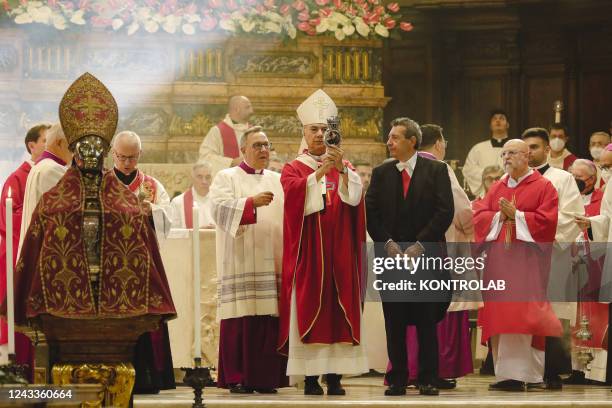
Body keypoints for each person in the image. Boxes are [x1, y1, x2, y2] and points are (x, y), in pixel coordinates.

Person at [10, 72, 176, 385]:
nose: (88, 156)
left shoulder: (123, 201)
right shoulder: (53, 201)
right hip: (65, 318)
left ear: (103, 155)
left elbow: (141, 235)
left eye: (94, 150)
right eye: (82, 150)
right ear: (73, 153)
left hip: (115, 319)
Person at [278, 89, 368, 396]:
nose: (319, 135)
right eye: (313, 130)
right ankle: (311, 377)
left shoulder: (345, 164)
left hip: (340, 250)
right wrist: (320, 173)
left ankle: (335, 375)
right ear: (303, 133)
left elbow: (354, 197)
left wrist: (341, 169)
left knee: (339, 309)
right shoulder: (294, 167)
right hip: (310, 253)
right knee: (310, 305)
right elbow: (292, 198)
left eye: (324, 130)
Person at [366, 118, 454, 396]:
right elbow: (372, 214)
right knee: (394, 321)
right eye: (389, 137)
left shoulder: (437, 170)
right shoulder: (382, 173)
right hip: (391, 258)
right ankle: (398, 379)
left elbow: (445, 211)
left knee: (427, 321)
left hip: (425, 258)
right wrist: (388, 243)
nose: (388, 142)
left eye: (394, 137)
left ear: (412, 141)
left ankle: (428, 378)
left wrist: (420, 244)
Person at [474, 139, 562, 392]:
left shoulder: (544, 187)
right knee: (500, 314)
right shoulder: (498, 186)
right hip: (498, 263)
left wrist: (518, 215)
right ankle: (505, 374)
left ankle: (525, 374)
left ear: (527, 157)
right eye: (504, 154)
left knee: (523, 316)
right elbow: (480, 214)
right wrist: (499, 216)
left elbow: (548, 222)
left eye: (512, 153)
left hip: (526, 263)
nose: (506, 158)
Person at [209, 126, 287, 394]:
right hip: (240, 259)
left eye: (266, 145)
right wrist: (250, 203)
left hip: (271, 257)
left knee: (268, 319)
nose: (264, 150)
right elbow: (217, 210)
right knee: (240, 319)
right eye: (257, 145)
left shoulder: (278, 179)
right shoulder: (226, 176)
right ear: (243, 150)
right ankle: (238, 377)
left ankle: (267, 378)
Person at [401, 123, 474, 388]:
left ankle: (406, 368)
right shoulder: (440, 169)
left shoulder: (402, 167)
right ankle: (437, 370)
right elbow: (461, 211)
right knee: (440, 310)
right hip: (442, 250)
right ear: (440, 144)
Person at [521, 127, 584, 390]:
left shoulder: (562, 178)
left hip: (552, 252)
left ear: (548, 149)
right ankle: (522, 370)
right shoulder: (513, 178)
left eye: (534, 147)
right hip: (522, 256)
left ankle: (553, 371)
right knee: (523, 311)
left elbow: (572, 215)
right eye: (525, 149)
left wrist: (543, 238)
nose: (529, 153)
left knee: (554, 310)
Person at [0, 124, 49, 379]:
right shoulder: (18, 178)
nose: (49, 144)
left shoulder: (53, 172)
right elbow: (8, 219)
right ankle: (19, 368)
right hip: (22, 256)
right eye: (45, 140)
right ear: (32, 145)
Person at [566, 159, 608, 384]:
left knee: (595, 318)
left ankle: (596, 371)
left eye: (580, 177)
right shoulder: (566, 198)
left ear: (592, 179)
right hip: (572, 264)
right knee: (575, 317)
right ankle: (577, 369)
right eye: (572, 176)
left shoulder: (603, 200)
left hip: (596, 265)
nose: (575, 181)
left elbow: (604, 228)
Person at [19, 122, 73, 255]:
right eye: (70, 146)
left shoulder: (41, 165)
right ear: (59, 143)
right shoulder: (52, 170)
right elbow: (65, 214)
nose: (73, 152)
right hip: (44, 250)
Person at [111, 131, 172, 238]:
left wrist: (151, 210)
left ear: (140, 154)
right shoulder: (102, 183)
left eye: (132, 157)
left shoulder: (154, 187)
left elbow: (168, 221)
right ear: (113, 153)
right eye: (122, 157)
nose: (127, 163)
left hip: (143, 248)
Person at [198, 96, 254, 176]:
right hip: (226, 182)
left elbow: (270, 153)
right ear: (237, 109)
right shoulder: (217, 131)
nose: (252, 111)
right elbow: (205, 157)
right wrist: (231, 162)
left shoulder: (255, 131)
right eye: (247, 107)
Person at [462, 110, 509, 197]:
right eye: (495, 119)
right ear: (490, 126)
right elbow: (468, 170)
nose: (498, 121)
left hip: (510, 193)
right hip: (485, 195)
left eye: (502, 118)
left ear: (507, 124)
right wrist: (487, 174)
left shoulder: (515, 148)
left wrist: (504, 177)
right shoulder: (478, 148)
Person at [169, 163, 215, 229]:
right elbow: (173, 232)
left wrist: (217, 230)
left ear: (212, 179)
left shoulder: (220, 201)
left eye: (208, 177)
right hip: (189, 239)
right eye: (200, 177)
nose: (204, 181)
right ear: (192, 178)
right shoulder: (178, 202)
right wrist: (196, 232)